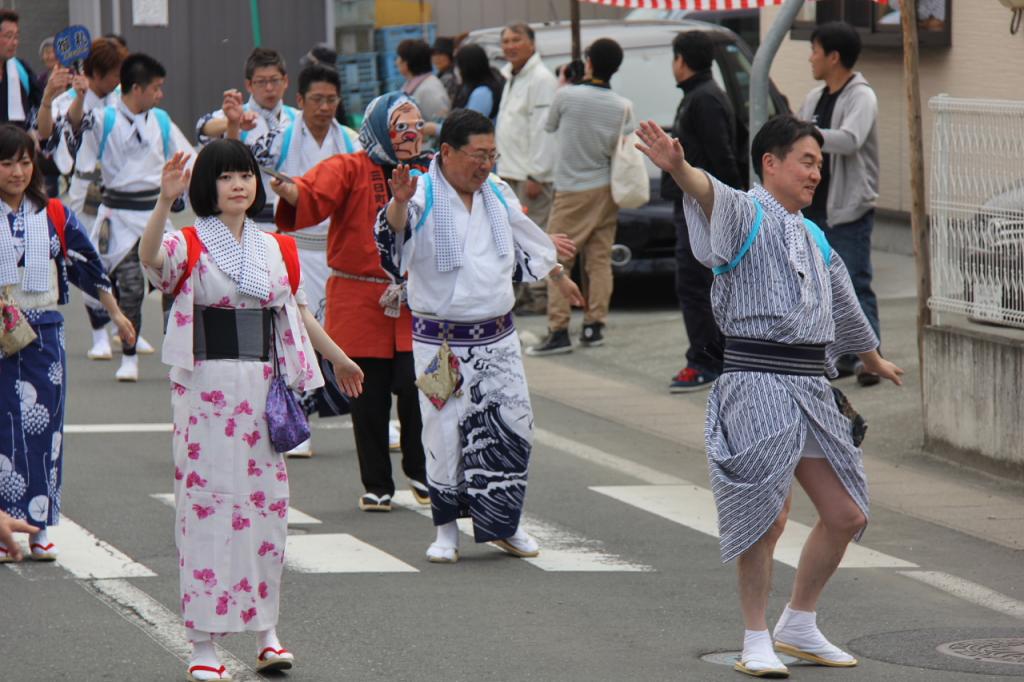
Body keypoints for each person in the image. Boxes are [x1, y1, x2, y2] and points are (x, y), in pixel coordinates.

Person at [636, 113, 903, 678]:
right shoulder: (747, 212)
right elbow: (709, 191)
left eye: (820, 165)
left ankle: (799, 622)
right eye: (807, 161)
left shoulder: (811, 233)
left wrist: (871, 353)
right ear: (770, 164)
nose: (816, 174)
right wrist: (679, 165)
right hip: (755, 380)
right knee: (767, 516)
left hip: (811, 386)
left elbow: (842, 295)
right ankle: (755, 635)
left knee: (846, 512)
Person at [139, 140, 363, 682]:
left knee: (266, 510)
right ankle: (202, 642)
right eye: (226, 176)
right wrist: (163, 204)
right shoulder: (188, 244)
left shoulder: (277, 249)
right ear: (207, 187)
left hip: (263, 388)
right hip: (206, 389)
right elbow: (150, 261)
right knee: (207, 508)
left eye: (246, 175)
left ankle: (267, 632)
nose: (239, 184)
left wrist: (340, 359)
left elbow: (298, 315)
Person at [377, 108, 584, 563]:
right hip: (440, 340)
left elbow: (525, 238)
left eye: (492, 154)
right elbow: (394, 234)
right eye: (478, 155)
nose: (486, 164)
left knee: (512, 428)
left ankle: (505, 524)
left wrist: (556, 274)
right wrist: (395, 203)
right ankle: (446, 529)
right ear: (447, 152)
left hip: (497, 337)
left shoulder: (496, 192)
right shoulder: (421, 191)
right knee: (443, 432)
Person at [272, 92, 431, 512]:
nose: (412, 134)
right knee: (368, 395)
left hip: (417, 299)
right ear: (380, 128)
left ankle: (421, 470)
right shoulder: (349, 167)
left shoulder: (432, 171)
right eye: (401, 127)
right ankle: (377, 483)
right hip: (359, 297)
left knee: (417, 388)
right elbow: (311, 193)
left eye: (417, 126)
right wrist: (290, 191)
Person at [0, 124, 134, 564]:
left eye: (24, 162)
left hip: (44, 335)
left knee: (43, 433)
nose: (17, 172)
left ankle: (38, 528)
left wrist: (116, 314)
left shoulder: (54, 213)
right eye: (6, 163)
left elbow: (87, 267)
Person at [245, 62, 362, 456]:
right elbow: (246, 159)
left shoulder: (350, 139)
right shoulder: (278, 137)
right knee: (295, 334)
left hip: (337, 249)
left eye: (331, 99)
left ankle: (372, 416)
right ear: (300, 101)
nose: (324, 107)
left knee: (353, 336)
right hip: (292, 244)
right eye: (317, 99)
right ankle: (299, 419)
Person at [68, 52, 193, 382]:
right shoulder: (104, 118)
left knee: (174, 285)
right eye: (157, 88)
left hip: (155, 213)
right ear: (137, 89)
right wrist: (79, 98)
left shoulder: (162, 121)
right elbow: (75, 128)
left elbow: (189, 158)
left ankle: (177, 355)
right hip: (118, 215)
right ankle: (130, 355)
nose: (160, 94)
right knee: (131, 286)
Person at [528, 38, 634, 355]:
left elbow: (549, 126)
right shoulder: (622, 105)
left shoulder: (567, 96)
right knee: (599, 260)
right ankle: (593, 325)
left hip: (573, 188)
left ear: (588, 62)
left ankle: (559, 329)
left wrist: (563, 83)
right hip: (607, 188)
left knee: (557, 256)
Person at [798, 21, 881, 387]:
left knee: (856, 282)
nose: (810, 58)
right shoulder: (815, 97)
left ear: (834, 56)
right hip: (815, 206)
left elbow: (849, 140)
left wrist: (807, 134)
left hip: (849, 206)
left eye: (814, 50)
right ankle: (842, 357)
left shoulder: (861, 96)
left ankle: (870, 359)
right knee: (824, 286)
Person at [38, 37, 130, 362]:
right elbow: (49, 139)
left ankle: (125, 324)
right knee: (90, 260)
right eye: (116, 73)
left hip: (123, 193)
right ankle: (99, 333)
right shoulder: (67, 99)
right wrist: (76, 97)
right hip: (86, 192)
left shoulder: (125, 99)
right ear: (99, 73)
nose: (120, 79)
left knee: (128, 263)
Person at [664, 31, 743, 393]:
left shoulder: (705, 99)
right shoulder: (702, 95)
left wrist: (725, 205)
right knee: (700, 284)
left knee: (696, 285)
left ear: (682, 59)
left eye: (674, 58)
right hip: (698, 204)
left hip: (704, 207)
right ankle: (711, 356)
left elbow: (723, 156)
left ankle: (705, 360)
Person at [196, 48, 297, 232]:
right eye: (261, 82)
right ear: (249, 85)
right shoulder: (234, 114)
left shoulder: (298, 120)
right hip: (243, 221)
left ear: (286, 81)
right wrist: (232, 123)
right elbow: (203, 129)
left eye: (275, 80)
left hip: (289, 222)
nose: (269, 88)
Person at [495, 22, 557, 314]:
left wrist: (537, 173)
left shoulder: (541, 78)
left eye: (516, 39)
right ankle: (525, 292)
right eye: (505, 40)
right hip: (510, 169)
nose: (509, 45)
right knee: (515, 236)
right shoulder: (511, 76)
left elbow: (543, 130)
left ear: (531, 44)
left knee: (536, 234)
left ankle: (539, 294)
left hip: (531, 174)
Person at [396, 39, 450, 133]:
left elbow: (442, 125)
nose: (397, 62)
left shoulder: (429, 90)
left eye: (400, 58)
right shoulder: (412, 84)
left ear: (407, 63)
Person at [0, 10, 42, 129]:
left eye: (16, 37)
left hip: (17, 142)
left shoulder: (20, 69)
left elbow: (37, 104)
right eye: (8, 36)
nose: (14, 42)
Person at [452, 44, 504, 121]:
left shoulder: (482, 93)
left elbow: (470, 125)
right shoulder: (468, 87)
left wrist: (436, 129)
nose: (457, 70)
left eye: (458, 65)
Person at [431, 37, 459, 103]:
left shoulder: (450, 77)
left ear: (450, 56)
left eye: (440, 54)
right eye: (434, 54)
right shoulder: (441, 74)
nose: (436, 58)